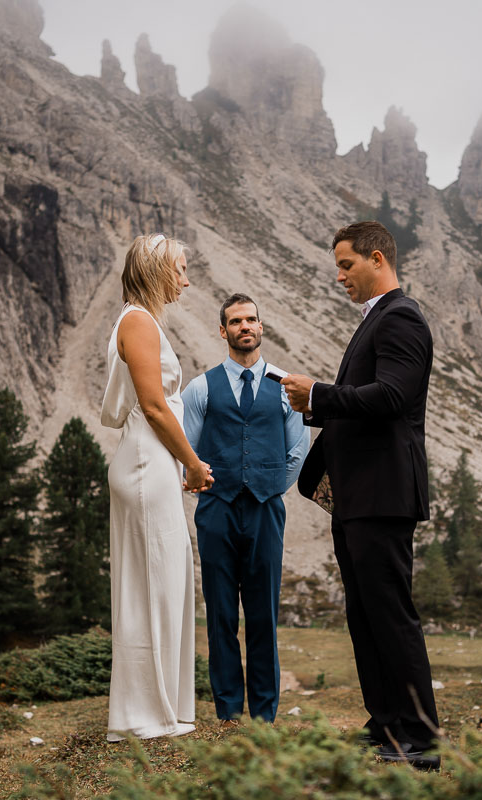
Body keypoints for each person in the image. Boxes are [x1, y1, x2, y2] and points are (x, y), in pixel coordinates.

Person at [282, 221, 441, 771]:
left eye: (346, 265)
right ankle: (386, 725)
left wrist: (319, 393)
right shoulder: (377, 319)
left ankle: (420, 738)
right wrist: (315, 404)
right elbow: (366, 398)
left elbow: (394, 396)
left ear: (378, 259)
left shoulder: (401, 316)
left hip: (383, 495)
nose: (339, 276)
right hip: (356, 497)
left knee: (391, 615)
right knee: (364, 615)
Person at [101, 233, 213, 741]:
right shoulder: (139, 322)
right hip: (148, 461)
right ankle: (146, 715)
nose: (186, 281)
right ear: (155, 270)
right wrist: (193, 463)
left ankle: (160, 709)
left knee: (161, 582)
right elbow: (153, 406)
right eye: (180, 269)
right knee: (155, 583)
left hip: (151, 461)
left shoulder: (139, 321)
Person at [181, 294, 309, 727]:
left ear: (261, 326)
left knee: (263, 616)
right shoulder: (201, 388)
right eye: (235, 321)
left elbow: (297, 449)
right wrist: (208, 485)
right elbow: (188, 450)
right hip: (216, 511)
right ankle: (229, 714)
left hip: (265, 512)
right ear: (223, 331)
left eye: (251, 319)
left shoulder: (286, 386)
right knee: (219, 614)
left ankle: (265, 717)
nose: (245, 326)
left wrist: (269, 487)